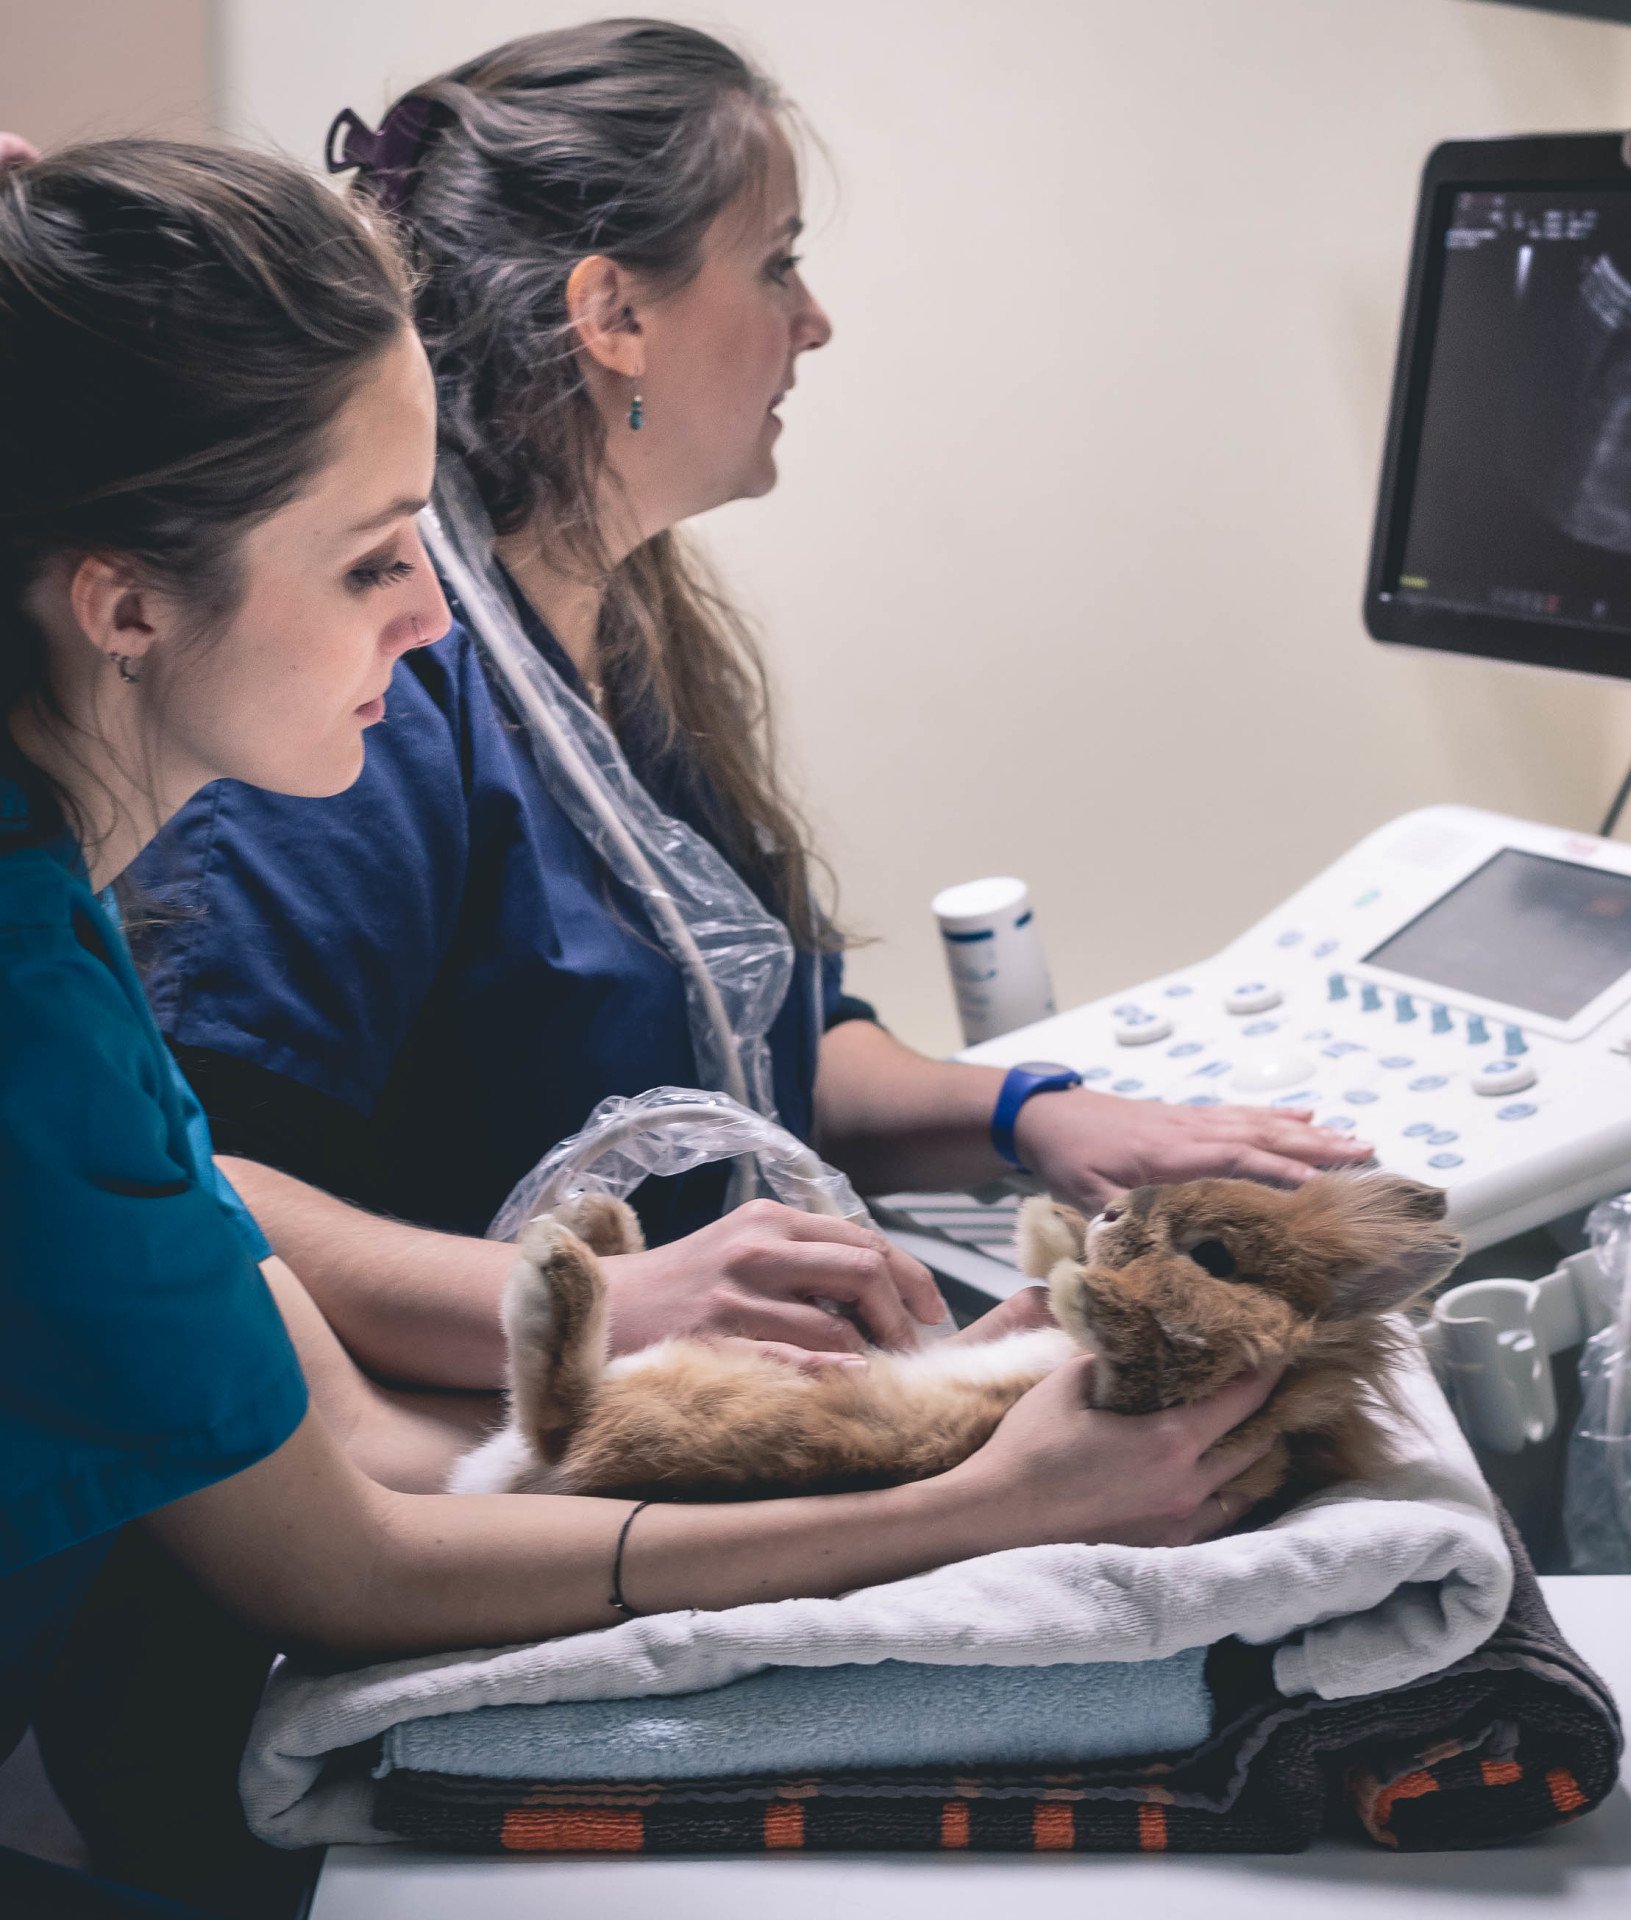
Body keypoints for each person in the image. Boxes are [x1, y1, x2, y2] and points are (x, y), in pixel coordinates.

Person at [0, 136, 1285, 1919]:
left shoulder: (55, 924)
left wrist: (909, 1422)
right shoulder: (35, 1022)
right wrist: (980, 1508)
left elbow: (348, 1439)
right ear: (128, 607)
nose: (432, 613)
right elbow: (341, 1562)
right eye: (375, 559)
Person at [130, 18, 1376, 1404]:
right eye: (776, 260)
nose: (814, 318)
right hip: (509, 1456)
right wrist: (604, 1304)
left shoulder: (629, 637)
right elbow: (206, 1193)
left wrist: (1040, 1117)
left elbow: (773, 1036)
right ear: (613, 316)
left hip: (734, 1398)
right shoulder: (378, 696)